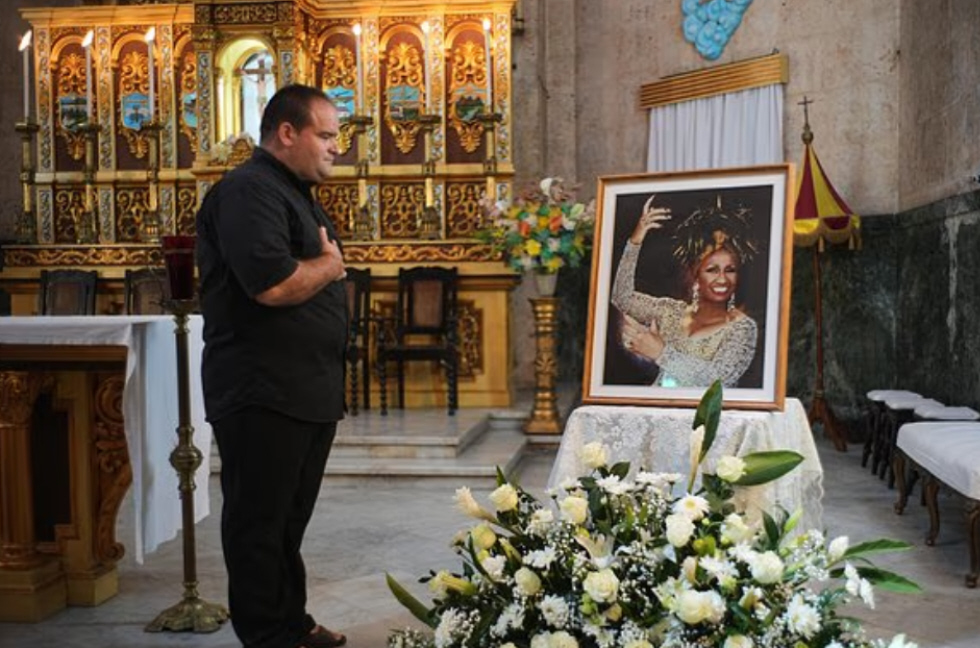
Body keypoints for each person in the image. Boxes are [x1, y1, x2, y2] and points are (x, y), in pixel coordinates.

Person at [196, 84, 348, 648]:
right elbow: (273, 285)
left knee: (287, 521)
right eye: (325, 135)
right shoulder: (247, 190)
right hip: (262, 391)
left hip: (302, 389)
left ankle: (291, 624)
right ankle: (267, 636)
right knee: (259, 524)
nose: (336, 148)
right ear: (287, 132)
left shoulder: (293, 192)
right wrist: (330, 266)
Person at [610, 194, 759, 388]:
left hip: (708, 409)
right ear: (696, 275)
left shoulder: (742, 328)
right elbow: (622, 298)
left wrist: (660, 352)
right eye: (712, 270)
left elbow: (718, 380)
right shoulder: (671, 312)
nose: (722, 279)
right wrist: (635, 241)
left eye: (730, 270)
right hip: (656, 403)